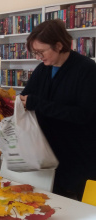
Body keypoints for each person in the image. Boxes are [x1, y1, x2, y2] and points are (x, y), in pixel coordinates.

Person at [20, 19, 96, 200]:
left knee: (74, 204)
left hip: (77, 154)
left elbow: (83, 115)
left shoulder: (87, 70)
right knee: (47, 200)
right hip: (46, 151)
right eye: (35, 53)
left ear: (59, 45)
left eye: (41, 52)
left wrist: (37, 104)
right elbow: (26, 98)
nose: (38, 57)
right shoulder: (42, 69)